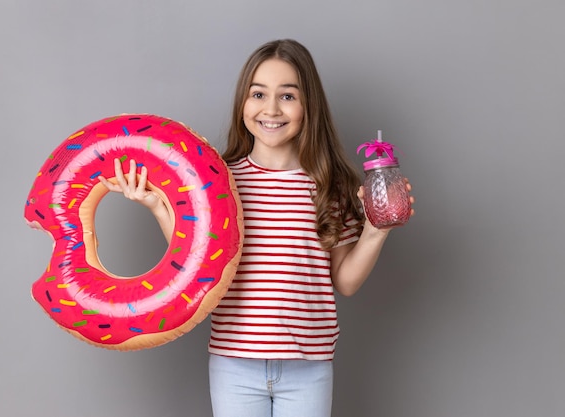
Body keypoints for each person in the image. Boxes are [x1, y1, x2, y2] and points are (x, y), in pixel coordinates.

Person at [99, 39, 414, 417]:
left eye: (287, 96)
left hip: (308, 367)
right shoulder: (218, 181)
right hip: (234, 363)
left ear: (308, 106)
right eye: (258, 94)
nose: (270, 109)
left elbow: (345, 281)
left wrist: (376, 231)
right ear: (242, 104)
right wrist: (156, 205)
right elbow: (201, 263)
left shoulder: (331, 184)